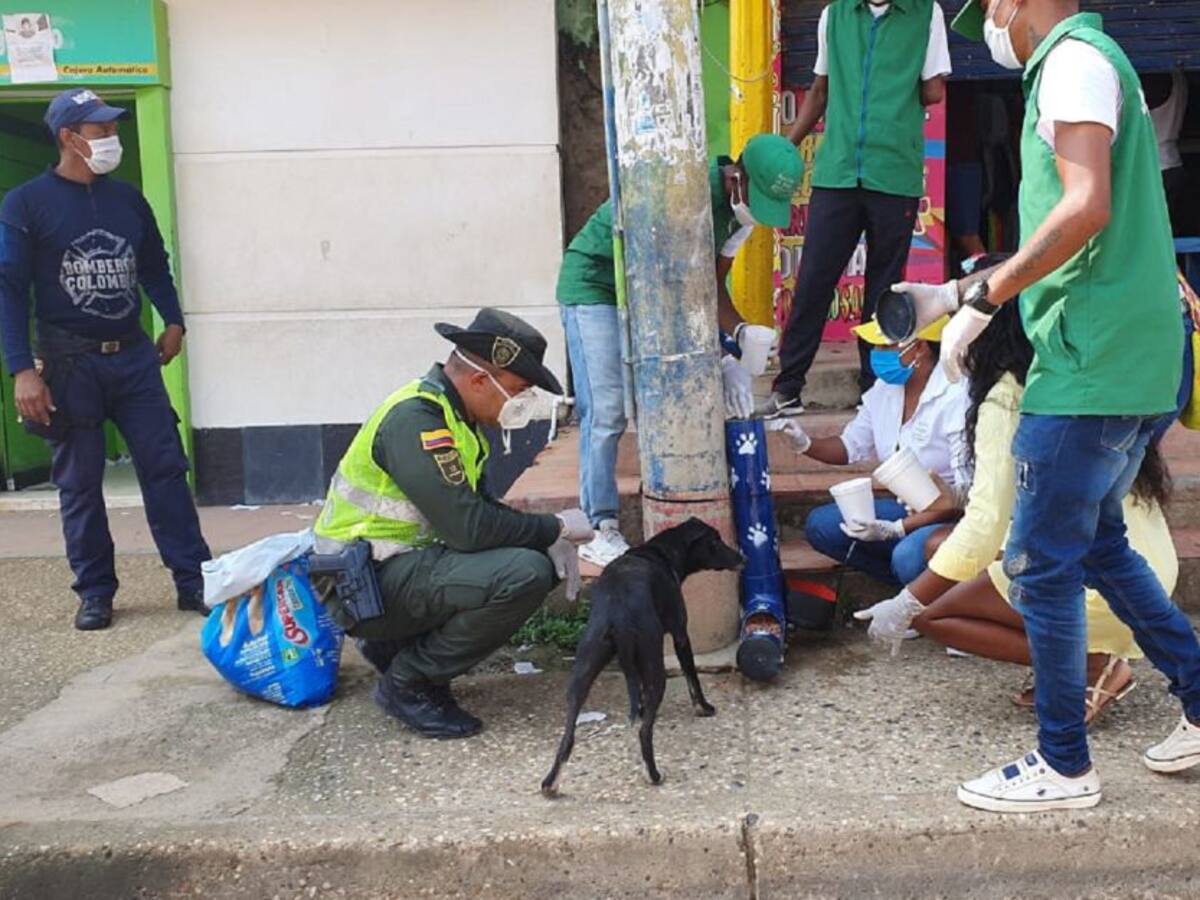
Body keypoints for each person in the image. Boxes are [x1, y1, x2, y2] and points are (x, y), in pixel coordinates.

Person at [898, 0, 1200, 812]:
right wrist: (953, 295)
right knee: (1099, 547)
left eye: (991, 10)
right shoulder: (1094, 64)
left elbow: (1085, 204)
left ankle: (1063, 763)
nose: (991, 28)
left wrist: (988, 295)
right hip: (1129, 358)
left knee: (1040, 567)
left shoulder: (1070, 65)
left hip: (1089, 366)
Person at [852, 271, 1177, 726]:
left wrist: (906, 602)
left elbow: (984, 526)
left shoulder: (1004, 398)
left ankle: (1092, 666)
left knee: (932, 615)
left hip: (1098, 584)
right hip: (1149, 573)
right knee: (935, 549)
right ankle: (1087, 656)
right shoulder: (1075, 373)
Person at [313, 308, 594, 739]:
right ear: (481, 379)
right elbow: (470, 528)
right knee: (524, 573)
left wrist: (543, 534)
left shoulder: (456, 418)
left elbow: (480, 515)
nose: (520, 404)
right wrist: (553, 528)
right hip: (361, 585)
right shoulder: (418, 421)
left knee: (526, 555)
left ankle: (396, 646)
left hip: (389, 571)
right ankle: (410, 681)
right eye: (518, 390)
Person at [0, 89, 211, 631]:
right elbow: (9, 289)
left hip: (135, 360)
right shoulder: (25, 204)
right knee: (80, 482)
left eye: (113, 128)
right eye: (100, 131)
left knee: (166, 470)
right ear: (69, 138)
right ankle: (95, 591)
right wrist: (22, 368)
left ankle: (195, 579)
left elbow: (154, 266)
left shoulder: (128, 200)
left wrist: (173, 318)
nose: (111, 138)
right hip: (69, 365)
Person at [557, 133, 802, 566]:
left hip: (657, 289)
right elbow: (670, 289)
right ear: (735, 177)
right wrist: (721, 356)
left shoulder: (740, 214)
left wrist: (740, 334)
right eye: (757, 198)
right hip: (595, 286)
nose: (757, 214)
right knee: (607, 411)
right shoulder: (680, 193)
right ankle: (600, 528)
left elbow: (708, 284)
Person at [760, 0, 952, 417]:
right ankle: (796, 385)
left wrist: (785, 146)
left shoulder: (924, 12)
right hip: (840, 172)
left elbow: (821, 91)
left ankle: (868, 390)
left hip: (891, 173)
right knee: (831, 281)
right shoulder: (836, 15)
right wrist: (783, 149)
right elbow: (930, 89)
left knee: (858, 287)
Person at [772, 315, 968, 587]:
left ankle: (925, 602)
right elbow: (849, 446)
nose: (876, 355)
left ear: (920, 347)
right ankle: (909, 594)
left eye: (884, 347)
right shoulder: (885, 389)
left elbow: (967, 498)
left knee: (907, 555)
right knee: (823, 525)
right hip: (908, 508)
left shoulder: (957, 395)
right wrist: (804, 443)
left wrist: (897, 530)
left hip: (956, 515)